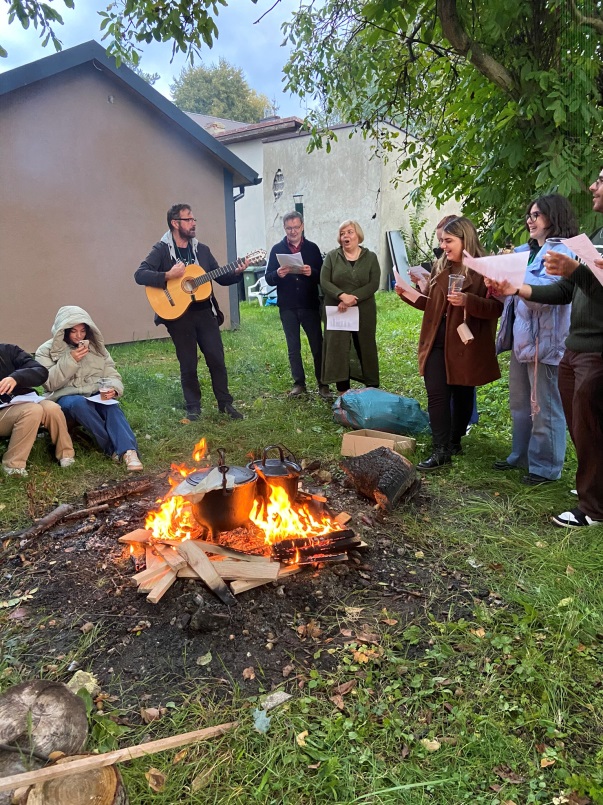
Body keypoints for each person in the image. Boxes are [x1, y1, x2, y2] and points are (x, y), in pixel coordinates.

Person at [488, 169, 603, 527]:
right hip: (572, 344)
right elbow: (570, 291)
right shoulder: (596, 236)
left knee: (575, 419)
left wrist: (573, 270)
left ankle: (589, 506)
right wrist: (514, 289)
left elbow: (586, 286)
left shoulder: (567, 246)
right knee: (579, 423)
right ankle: (592, 490)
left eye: (601, 179)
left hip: (580, 345)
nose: (592, 186)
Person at [396, 216, 503, 470]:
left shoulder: (483, 268)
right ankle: (440, 449)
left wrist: (468, 301)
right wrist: (408, 295)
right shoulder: (440, 265)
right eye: (442, 240)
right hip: (436, 340)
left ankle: (455, 441)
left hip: (464, 343)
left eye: (449, 241)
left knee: (463, 392)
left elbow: (496, 308)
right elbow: (432, 305)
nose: (443, 246)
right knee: (437, 394)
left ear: (465, 239)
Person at [493, 194, 578, 485]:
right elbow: (512, 296)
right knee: (520, 403)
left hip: (547, 342)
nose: (530, 221)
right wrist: (498, 284)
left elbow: (550, 295)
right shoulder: (523, 251)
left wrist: (517, 284)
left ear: (553, 217)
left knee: (544, 407)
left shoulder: (564, 252)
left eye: (536, 215)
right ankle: (522, 456)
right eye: (528, 215)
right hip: (522, 341)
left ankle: (545, 469)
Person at [135, 204, 246, 421]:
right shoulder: (161, 250)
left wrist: (237, 273)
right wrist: (168, 274)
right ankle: (193, 407)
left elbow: (220, 277)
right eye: (189, 219)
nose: (194, 223)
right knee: (188, 363)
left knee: (216, 358)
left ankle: (225, 404)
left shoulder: (202, 250)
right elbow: (140, 275)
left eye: (194, 219)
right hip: (178, 316)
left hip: (205, 312)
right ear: (175, 223)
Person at [35, 307, 143, 471]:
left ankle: (129, 452)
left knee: (111, 406)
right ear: (63, 331)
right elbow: (49, 383)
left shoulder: (96, 348)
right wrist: (70, 360)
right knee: (79, 404)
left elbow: (111, 372)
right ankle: (112, 449)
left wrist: (113, 389)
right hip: (64, 398)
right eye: (73, 331)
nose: (79, 336)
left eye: (83, 331)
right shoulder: (45, 351)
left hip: (93, 393)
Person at [265, 211, 330, 399]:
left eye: (296, 227)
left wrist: (313, 272)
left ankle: (323, 383)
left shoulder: (312, 248)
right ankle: (299, 383)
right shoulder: (277, 249)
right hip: (288, 306)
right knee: (293, 347)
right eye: (288, 228)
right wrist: (278, 274)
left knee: (318, 345)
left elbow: (324, 277)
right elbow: (268, 279)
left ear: (302, 226)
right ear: (284, 229)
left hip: (309, 304)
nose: (292, 231)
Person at [320, 220, 381, 392]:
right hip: (337, 309)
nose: (345, 236)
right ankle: (343, 390)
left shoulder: (370, 257)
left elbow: (374, 283)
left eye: (349, 232)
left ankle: (371, 388)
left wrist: (353, 298)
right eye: (342, 233)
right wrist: (341, 296)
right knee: (339, 348)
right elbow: (324, 281)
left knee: (366, 346)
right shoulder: (332, 257)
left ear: (358, 235)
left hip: (364, 310)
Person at [0, 343, 75, 476]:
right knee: (32, 410)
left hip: (23, 400)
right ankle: (12, 466)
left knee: (52, 408)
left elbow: (40, 371)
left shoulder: (8, 350)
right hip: (4, 411)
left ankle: (66, 455)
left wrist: (16, 378)